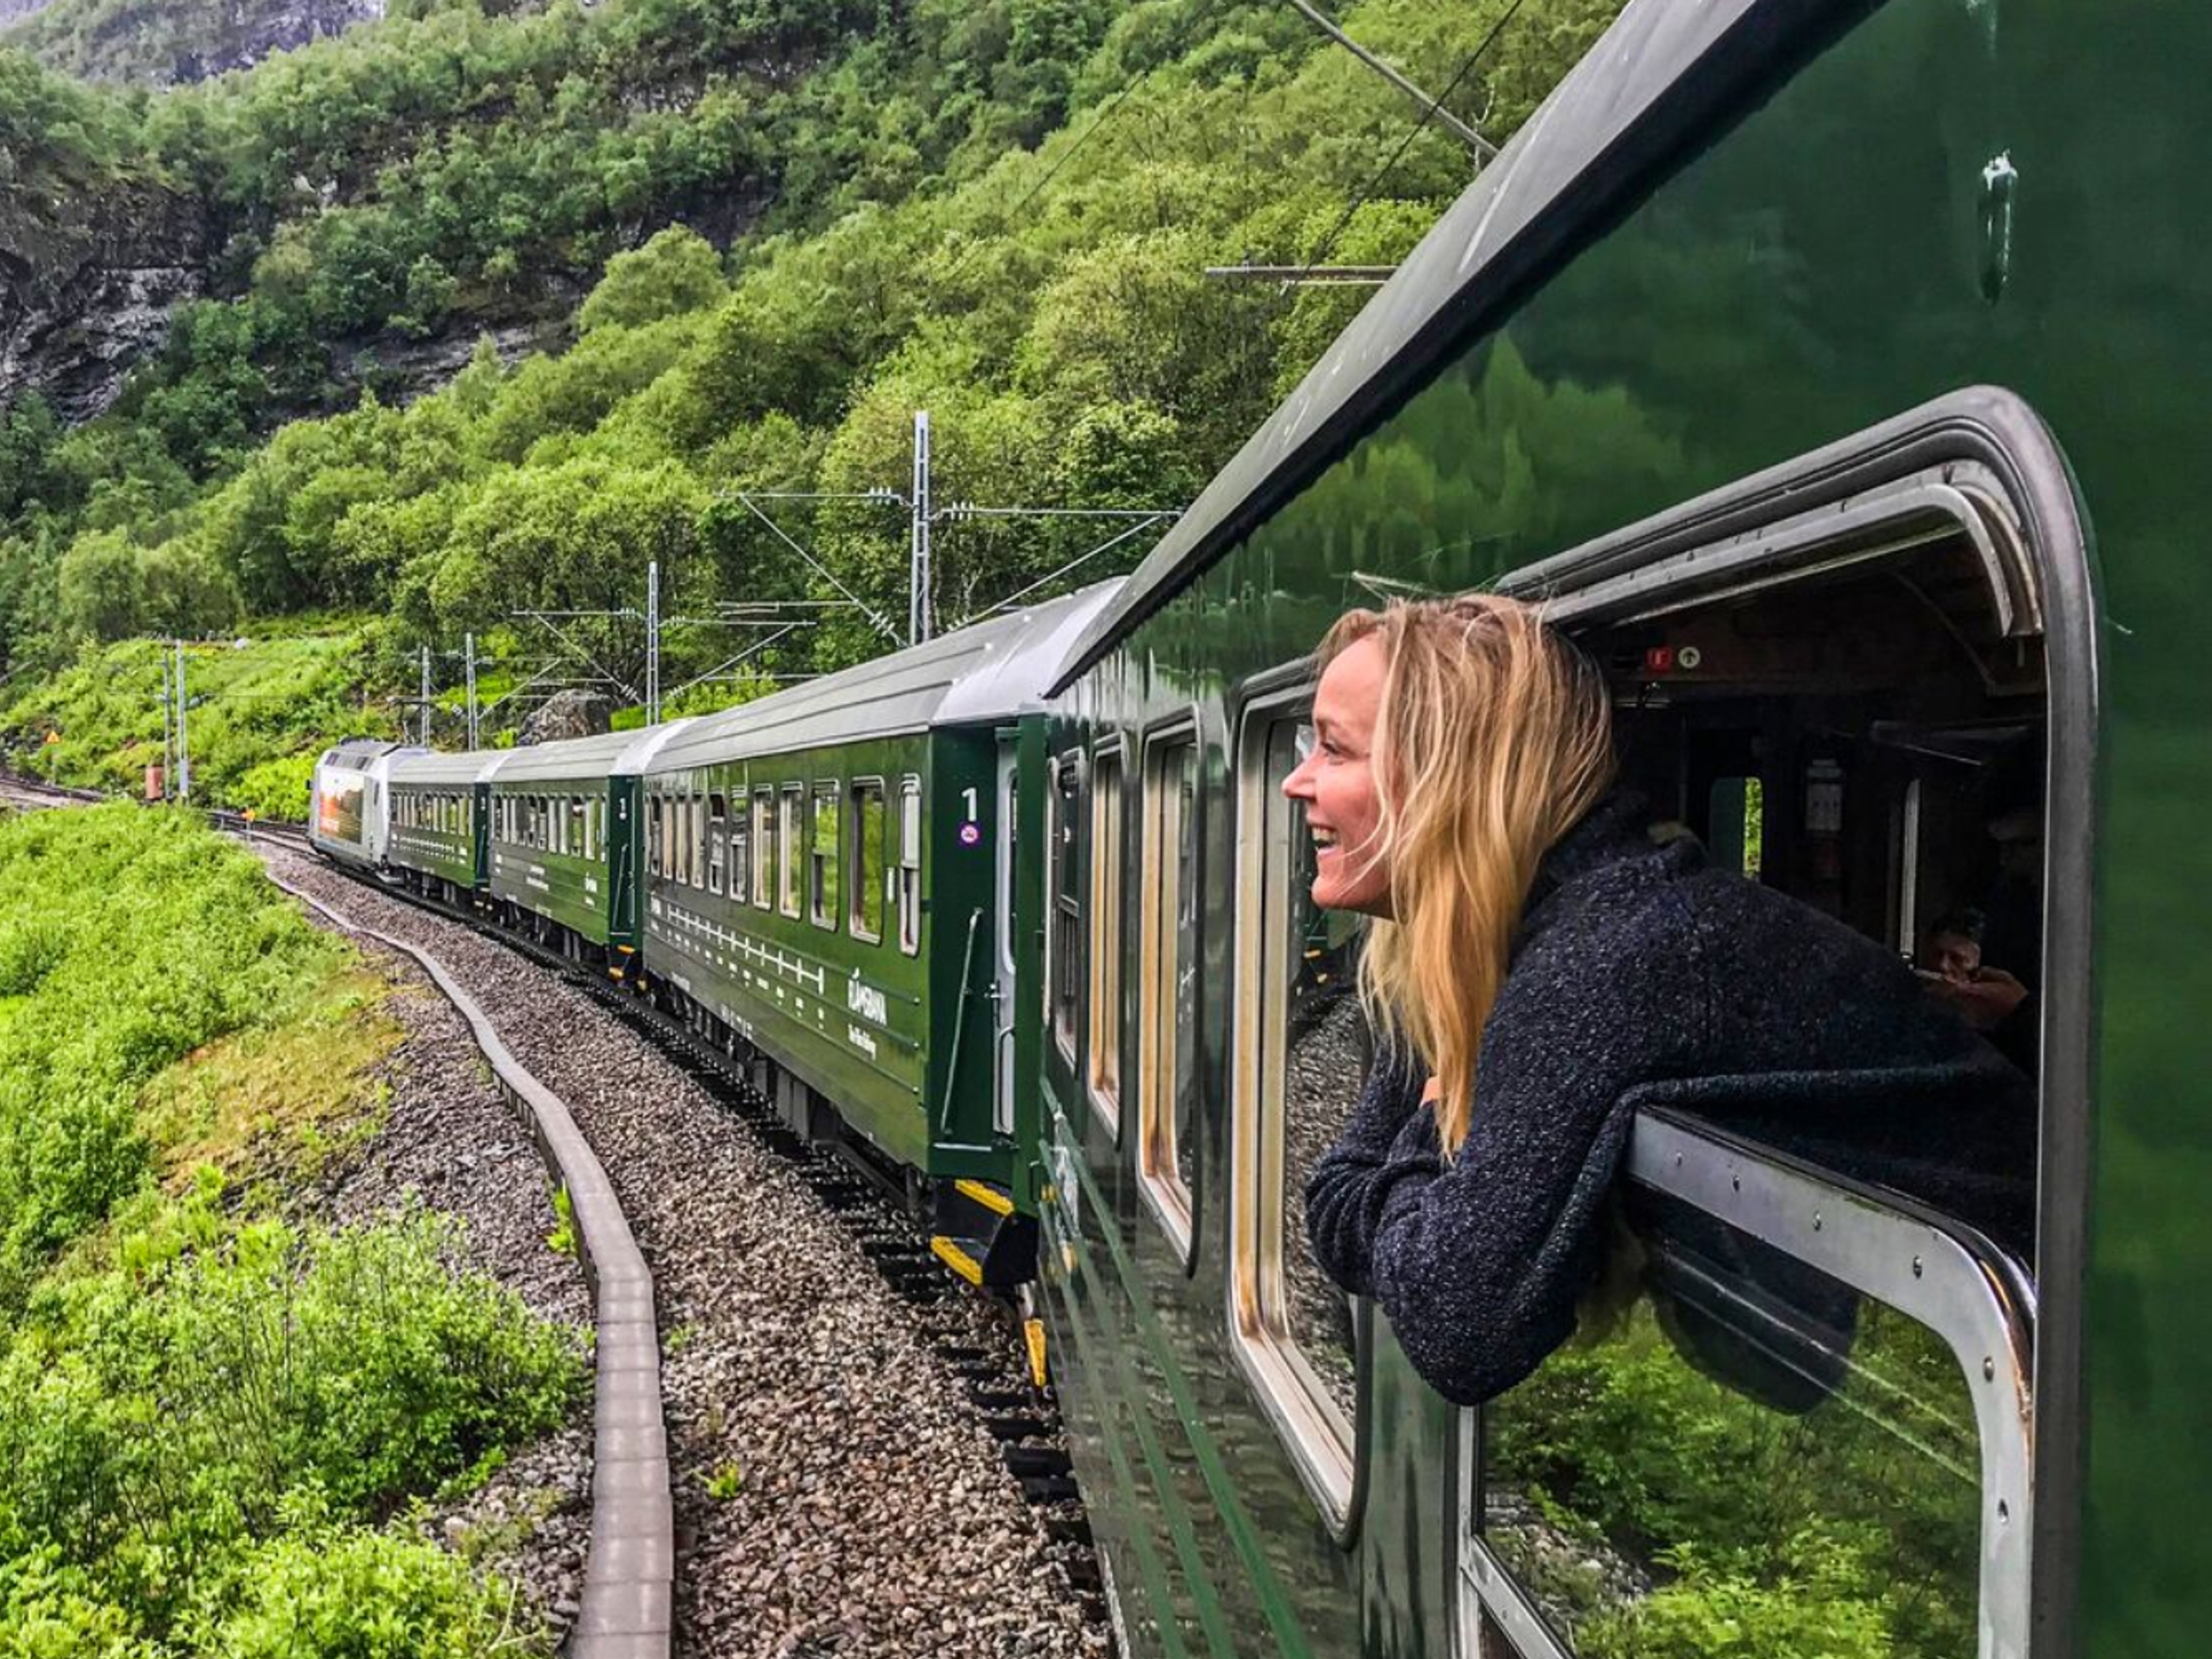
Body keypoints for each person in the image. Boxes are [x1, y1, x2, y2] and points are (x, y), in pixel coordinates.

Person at [1290, 594, 2033, 1408]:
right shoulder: (1501, 940)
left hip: (2042, 1352)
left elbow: (1455, 1327)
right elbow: (1333, 1197)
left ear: (1451, 779)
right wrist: (1427, 1188)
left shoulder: (1614, 956)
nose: (1299, 783)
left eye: (1335, 749)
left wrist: (1433, 1133)